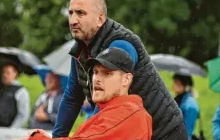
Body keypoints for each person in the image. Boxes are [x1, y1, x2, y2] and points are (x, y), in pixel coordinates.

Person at [53, 0, 187, 140]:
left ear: (100, 19)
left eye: (80, 13)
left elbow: (108, 100)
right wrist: (57, 137)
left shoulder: (121, 44)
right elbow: (72, 97)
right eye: (70, 13)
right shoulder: (80, 49)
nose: (72, 20)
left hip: (163, 132)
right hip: (129, 129)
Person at [14, 47, 152, 140]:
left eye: (107, 73)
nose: (97, 78)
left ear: (126, 79)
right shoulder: (111, 111)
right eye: (96, 72)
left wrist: (35, 137)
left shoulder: (130, 113)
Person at [0, 62, 30, 128]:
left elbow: (23, 115)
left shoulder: (21, 91)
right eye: (3, 72)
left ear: (15, 73)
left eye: (7, 73)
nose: (4, 75)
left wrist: (12, 130)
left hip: (6, 129)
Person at [172, 71, 199, 140]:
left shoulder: (191, 105)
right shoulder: (177, 99)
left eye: (177, 83)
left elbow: (187, 132)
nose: (174, 85)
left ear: (185, 85)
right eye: (174, 81)